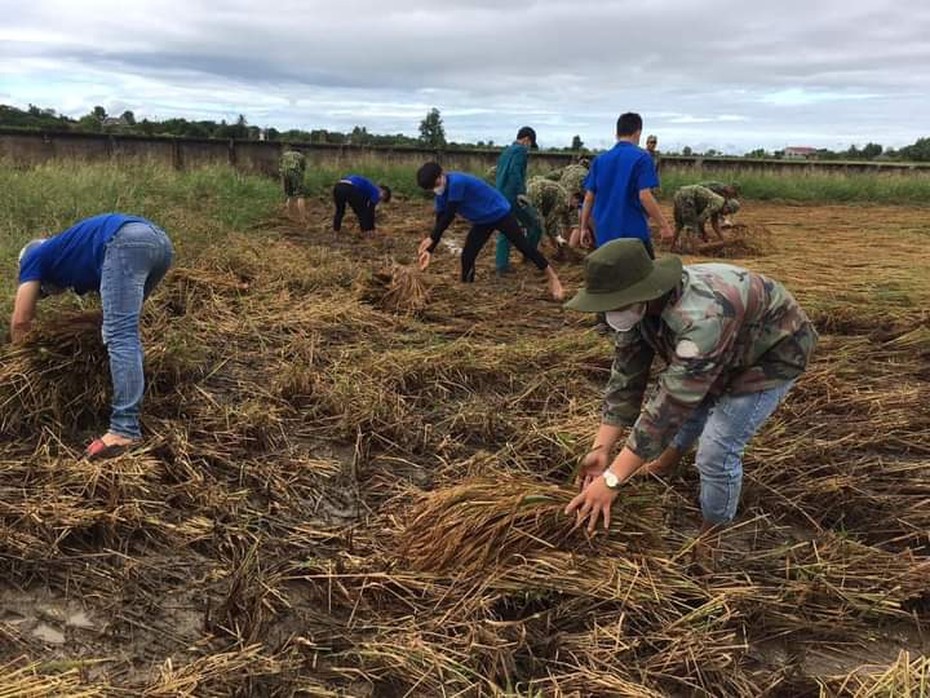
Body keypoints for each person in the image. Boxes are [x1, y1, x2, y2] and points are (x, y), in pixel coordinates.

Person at [563, 239, 816, 534]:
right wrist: (601, 449)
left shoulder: (702, 318)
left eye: (616, 304)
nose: (610, 312)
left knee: (716, 451)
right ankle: (665, 463)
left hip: (772, 353)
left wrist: (612, 480)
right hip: (722, 345)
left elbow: (672, 405)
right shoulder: (632, 309)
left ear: (642, 292)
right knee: (696, 397)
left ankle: (713, 533)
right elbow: (626, 380)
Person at [11, 214, 174, 459]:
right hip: (159, 244)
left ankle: (124, 429)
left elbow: (21, 321)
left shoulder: (33, 257)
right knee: (123, 331)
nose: (45, 294)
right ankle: (125, 395)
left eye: (43, 291)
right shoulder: (69, 254)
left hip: (126, 242)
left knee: (120, 334)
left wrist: (20, 362)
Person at [415, 161, 565, 301]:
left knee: (524, 247)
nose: (436, 188)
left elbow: (449, 215)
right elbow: (440, 220)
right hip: (482, 221)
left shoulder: (457, 182)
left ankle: (553, 278)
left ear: (442, 174)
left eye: (436, 184)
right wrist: (430, 250)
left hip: (499, 213)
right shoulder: (440, 193)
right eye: (432, 188)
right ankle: (467, 290)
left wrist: (432, 238)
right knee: (467, 255)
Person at [581, 113, 672, 258]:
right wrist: (664, 226)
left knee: (611, 277)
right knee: (646, 277)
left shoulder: (600, 160)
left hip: (604, 235)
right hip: (633, 236)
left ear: (617, 133)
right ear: (638, 132)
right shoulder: (642, 158)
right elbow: (644, 196)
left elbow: (589, 198)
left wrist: (584, 227)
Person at [495, 126, 543, 276]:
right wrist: (521, 193)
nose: (529, 148)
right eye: (530, 144)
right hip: (513, 196)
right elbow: (514, 172)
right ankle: (529, 255)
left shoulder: (506, 151)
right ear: (527, 140)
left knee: (506, 229)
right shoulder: (520, 151)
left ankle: (501, 265)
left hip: (501, 195)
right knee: (535, 224)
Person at [671, 184, 740, 251]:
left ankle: (672, 247)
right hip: (687, 197)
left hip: (679, 194)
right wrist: (703, 234)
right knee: (692, 225)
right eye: (728, 212)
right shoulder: (718, 204)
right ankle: (694, 250)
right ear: (727, 206)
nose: (726, 214)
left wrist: (723, 239)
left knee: (679, 225)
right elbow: (701, 220)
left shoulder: (718, 205)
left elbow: (715, 224)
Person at [525, 176, 572, 251]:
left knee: (533, 222)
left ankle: (532, 247)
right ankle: (535, 249)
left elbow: (553, 221)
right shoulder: (564, 202)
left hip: (531, 188)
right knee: (538, 223)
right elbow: (550, 222)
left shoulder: (564, 196)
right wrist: (555, 239)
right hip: (536, 193)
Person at [279, 147, 308, 222]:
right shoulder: (301, 156)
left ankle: (290, 215)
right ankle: (302, 218)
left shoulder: (285, 154)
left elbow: (281, 166)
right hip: (295, 173)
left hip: (284, 174)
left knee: (290, 195)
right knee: (300, 196)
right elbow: (303, 169)